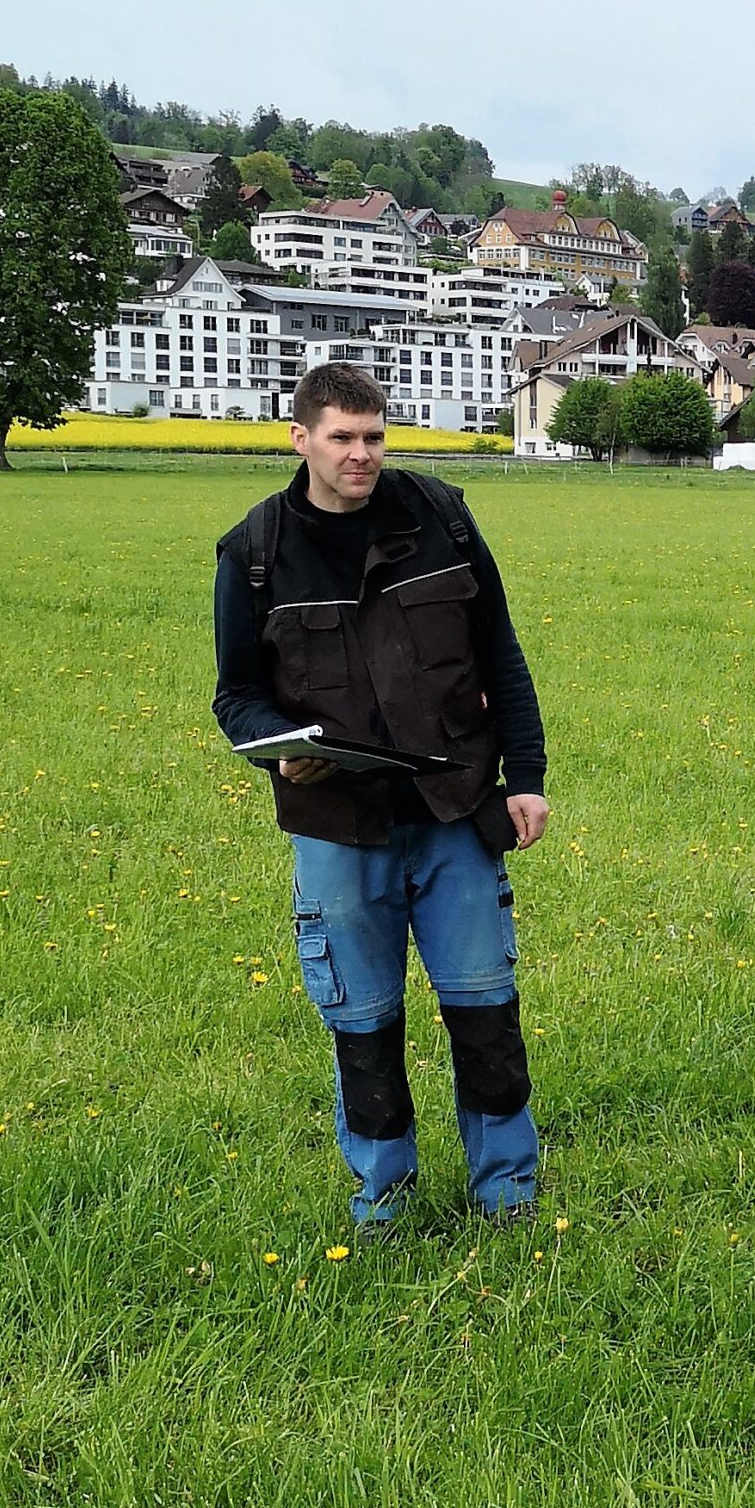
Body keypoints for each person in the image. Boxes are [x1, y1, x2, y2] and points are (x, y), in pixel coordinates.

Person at [212, 363, 551, 1233]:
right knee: (362, 1025)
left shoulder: (440, 516)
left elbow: (500, 655)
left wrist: (528, 778)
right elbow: (236, 697)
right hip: (337, 825)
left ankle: (508, 1195)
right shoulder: (252, 554)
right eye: (342, 438)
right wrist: (276, 759)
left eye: (374, 437)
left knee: (486, 1012)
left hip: (454, 809)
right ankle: (384, 1203)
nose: (361, 455)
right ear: (301, 439)